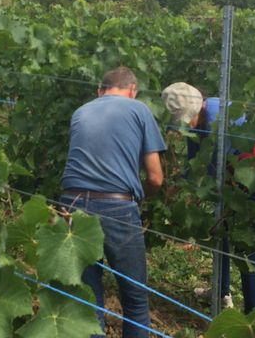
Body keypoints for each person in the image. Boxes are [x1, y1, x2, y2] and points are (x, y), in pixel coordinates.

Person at [61, 66, 166, 338]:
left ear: (100, 91)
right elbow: (156, 178)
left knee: (88, 298)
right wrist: (135, 197)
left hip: (71, 205)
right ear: (133, 90)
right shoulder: (139, 109)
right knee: (135, 299)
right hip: (117, 206)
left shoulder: (80, 112)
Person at [161, 82, 255, 338]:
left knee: (246, 251)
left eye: (189, 119)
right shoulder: (198, 123)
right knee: (220, 237)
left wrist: (225, 194)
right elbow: (196, 164)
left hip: (250, 185)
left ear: (199, 105)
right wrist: (183, 187)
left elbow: (240, 165)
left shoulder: (226, 119)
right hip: (226, 187)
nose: (188, 124)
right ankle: (221, 294)